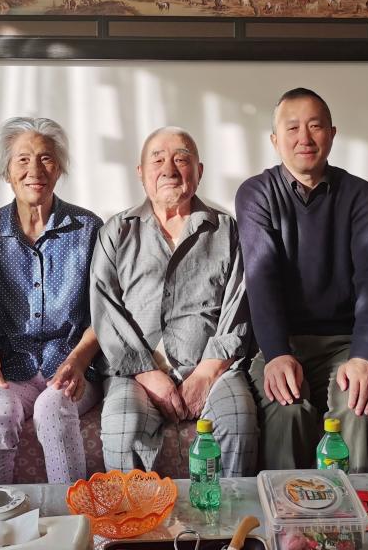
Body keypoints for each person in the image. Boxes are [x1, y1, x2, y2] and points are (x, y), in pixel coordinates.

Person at [236, 88, 368, 471]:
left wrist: (363, 358)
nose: (304, 138)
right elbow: (261, 280)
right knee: (286, 408)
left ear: (332, 134)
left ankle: (356, 508)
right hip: (282, 340)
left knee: (360, 407)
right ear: (275, 140)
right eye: (292, 128)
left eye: (315, 126)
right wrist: (277, 354)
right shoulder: (256, 193)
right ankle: (285, 509)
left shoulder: (360, 195)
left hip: (344, 343)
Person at [91, 127, 257, 475]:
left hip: (215, 367)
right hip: (135, 373)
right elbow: (106, 310)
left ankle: (227, 512)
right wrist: (148, 373)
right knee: (122, 430)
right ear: (141, 172)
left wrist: (207, 373)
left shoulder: (227, 230)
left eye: (181, 159)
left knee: (238, 421)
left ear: (199, 170)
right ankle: (138, 513)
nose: (169, 169)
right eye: (158, 160)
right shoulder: (117, 231)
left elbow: (238, 306)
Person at [0, 117, 103, 484]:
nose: (34, 170)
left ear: (59, 169)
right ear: (6, 172)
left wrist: (77, 361)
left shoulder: (88, 228)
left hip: (71, 363)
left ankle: (72, 514)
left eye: (46, 158)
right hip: (12, 367)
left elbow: (105, 312)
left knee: (53, 409)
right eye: (22, 159)